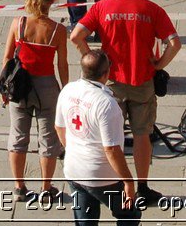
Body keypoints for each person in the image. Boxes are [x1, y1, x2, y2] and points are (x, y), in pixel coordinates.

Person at [70, 0, 180, 209]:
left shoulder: (103, 7)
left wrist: (93, 58)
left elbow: (76, 36)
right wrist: (159, 65)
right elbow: (174, 43)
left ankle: (115, 184)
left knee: (110, 136)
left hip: (111, 83)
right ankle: (142, 187)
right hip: (142, 81)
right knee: (143, 135)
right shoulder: (153, 9)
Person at [0, 0, 69, 205]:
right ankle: (46, 189)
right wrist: (66, 91)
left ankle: (19, 187)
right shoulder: (57, 30)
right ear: (52, 1)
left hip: (19, 85)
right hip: (47, 86)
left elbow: (8, 58)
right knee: (48, 140)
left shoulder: (18, 24)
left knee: (18, 137)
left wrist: (3, 87)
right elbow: (62, 65)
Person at [55, 50, 140, 224]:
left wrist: (73, 151)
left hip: (74, 170)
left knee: (85, 221)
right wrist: (128, 181)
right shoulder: (107, 105)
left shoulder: (68, 90)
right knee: (129, 215)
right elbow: (111, 149)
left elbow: (59, 127)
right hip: (101, 175)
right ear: (106, 73)